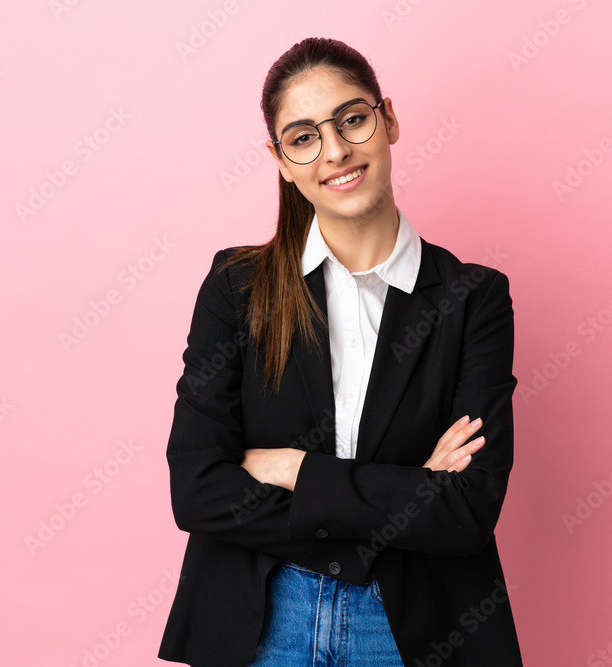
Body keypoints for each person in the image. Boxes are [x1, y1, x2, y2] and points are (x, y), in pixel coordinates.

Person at [158, 36, 523, 667]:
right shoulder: (235, 288)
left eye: (352, 119)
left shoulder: (474, 300)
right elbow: (197, 490)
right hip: (261, 616)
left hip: (413, 624)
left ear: (388, 119)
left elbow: (467, 511)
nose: (335, 151)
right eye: (303, 137)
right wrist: (410, 491)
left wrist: (296, 471)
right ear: (280, 159)